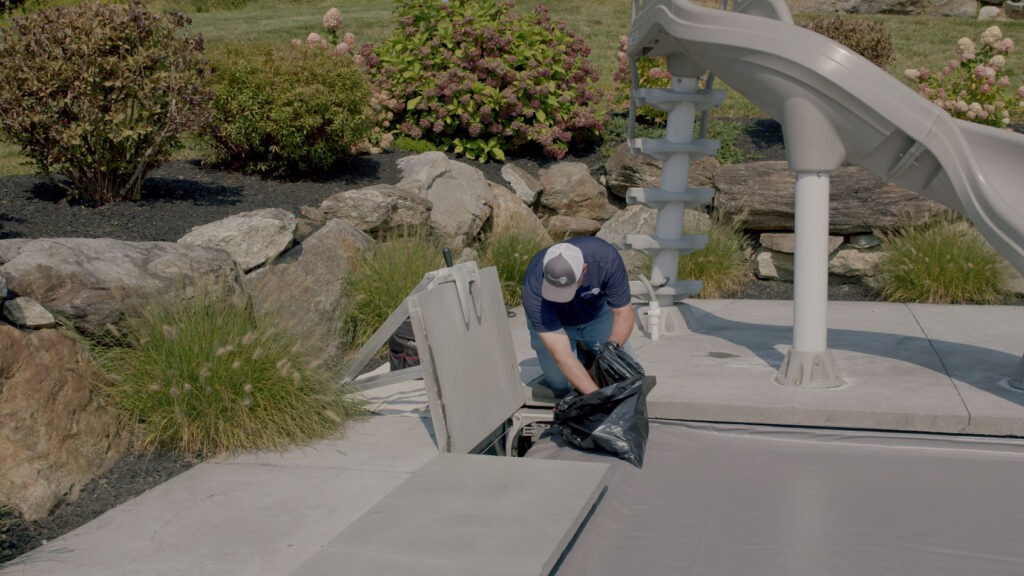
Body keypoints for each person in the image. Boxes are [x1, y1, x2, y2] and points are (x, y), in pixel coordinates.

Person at [521, 236, 635, 397]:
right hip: (556, 322)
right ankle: (582, 358)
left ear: (584, 269)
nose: (561, 295)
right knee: (562, 384)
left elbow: (624, 313)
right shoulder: (533, 287)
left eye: (568, 287)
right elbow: (561, 354)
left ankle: (589, 354)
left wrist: (611, 350)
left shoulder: (606, 259)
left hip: (596, 314)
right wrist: (597, 398)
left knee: (622, 374)